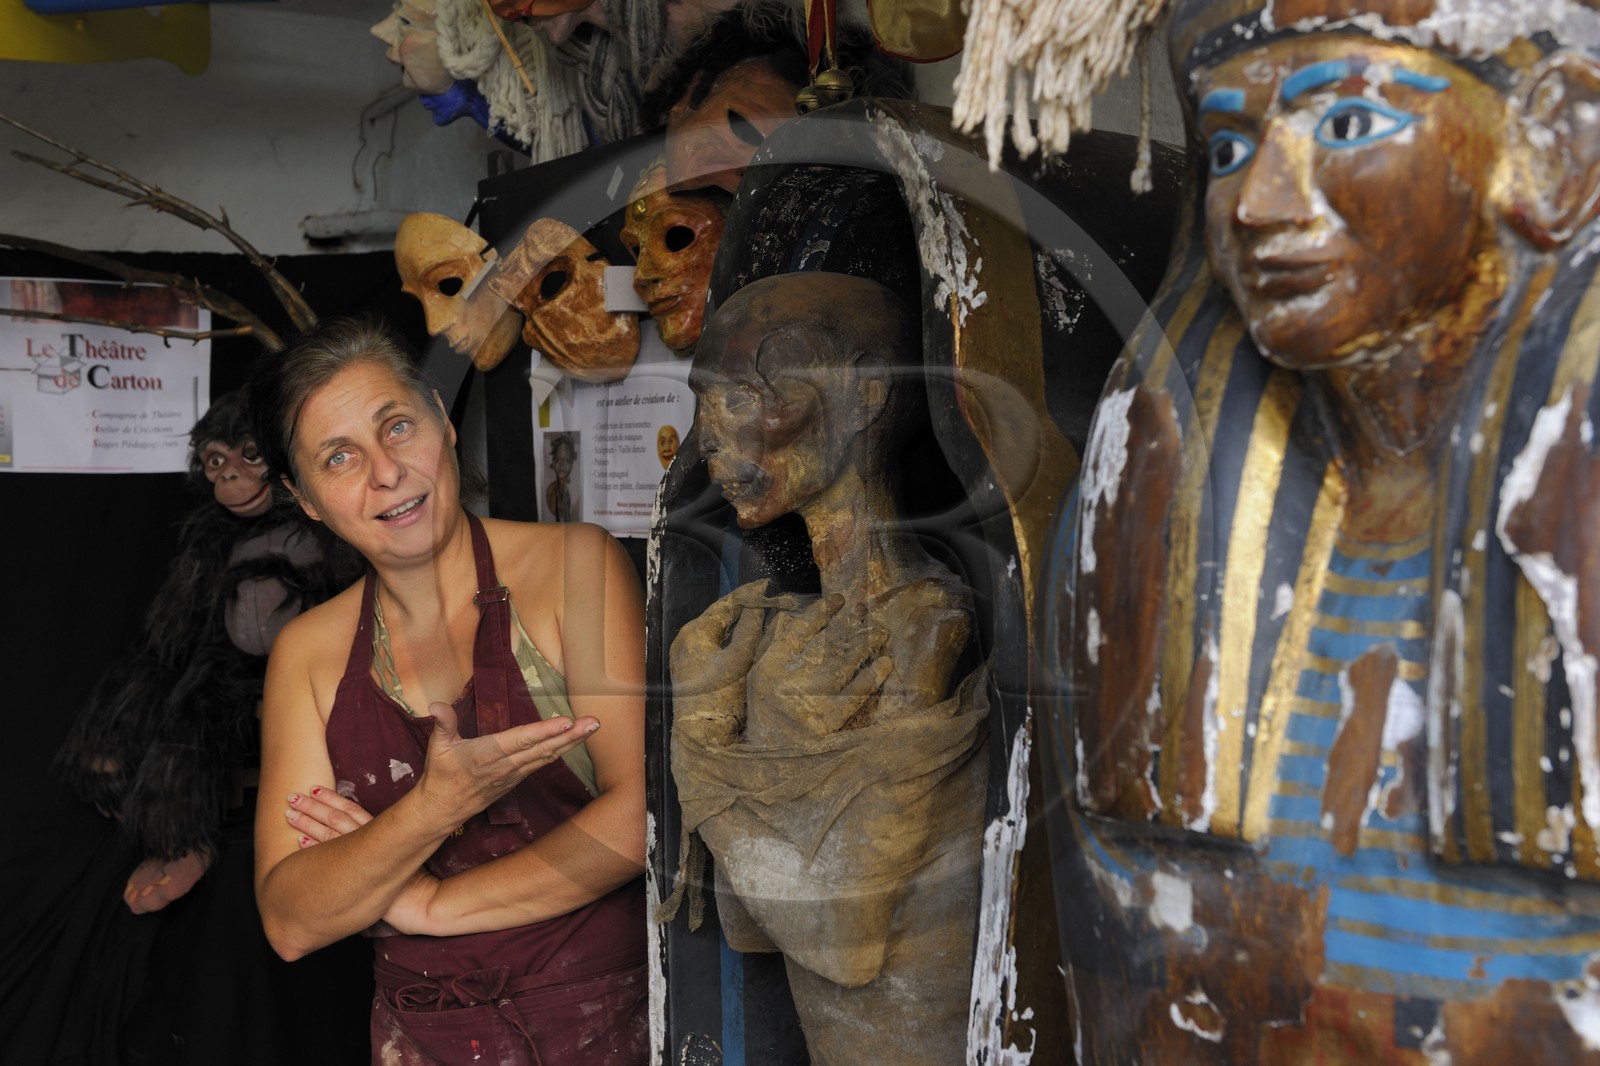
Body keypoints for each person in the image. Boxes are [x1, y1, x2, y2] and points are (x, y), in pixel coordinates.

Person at [1047, 0, 1600, 1059]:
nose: (1257, 202)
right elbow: (1105, 948)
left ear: (1556, 144)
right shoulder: (1140, 517)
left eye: (1346, 124)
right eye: (1226, 144)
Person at [248, 317, 648, 1064]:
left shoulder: (576, 571)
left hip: (605, 1021)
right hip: (421, 1039)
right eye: (340, 458)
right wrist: (432, 811)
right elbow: (293, 918)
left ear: (442, 417)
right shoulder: (309, 654)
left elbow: (639, 819)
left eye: (397, 426)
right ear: (304, 499)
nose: (387, 473)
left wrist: (425, 903)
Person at [665, 272, 988, 1064]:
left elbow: (841, 940)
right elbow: (749, 924)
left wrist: (704, 738)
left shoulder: (925, 628)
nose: (708, 434)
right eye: (706, 400)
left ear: (865, 398)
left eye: (745, 396)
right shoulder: (776, 633)